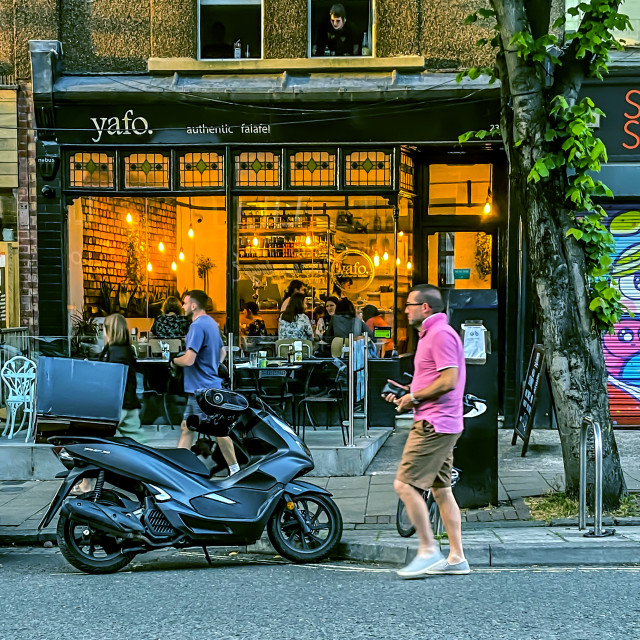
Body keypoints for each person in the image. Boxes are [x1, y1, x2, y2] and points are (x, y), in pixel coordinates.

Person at [385, 284, 469, 578]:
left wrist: (415, 398)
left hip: (434, 424)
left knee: (404, 485)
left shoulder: (440, 335)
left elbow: (449, 380)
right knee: (441, 489)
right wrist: (406, 394)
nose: (404, 309)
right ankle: (457, 557)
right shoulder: (431, 335)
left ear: (425, 307)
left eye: (409, 304)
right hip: (439, 420)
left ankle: (427, 549)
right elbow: (433, 379)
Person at [73, 313, 146, 494]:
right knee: (138, 445)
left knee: (89, 442)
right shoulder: (124, 349)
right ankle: (149, 479)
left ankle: (88, 482)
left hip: (117, 407)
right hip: (128, 406)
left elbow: (109, 381)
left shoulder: (115, 351)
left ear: (109, 330)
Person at [172, 290, 240, 476]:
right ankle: (179, 470)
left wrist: (173, 360)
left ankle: (235, 470)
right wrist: (210, 366)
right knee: (187, 427)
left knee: (218, 431)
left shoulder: (197, 326)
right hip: (206, 385)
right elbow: (222, 353)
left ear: (194, 306)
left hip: (201, 388)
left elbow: (189, 359)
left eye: (185, 303)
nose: (183, 307)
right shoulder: (211, 323)